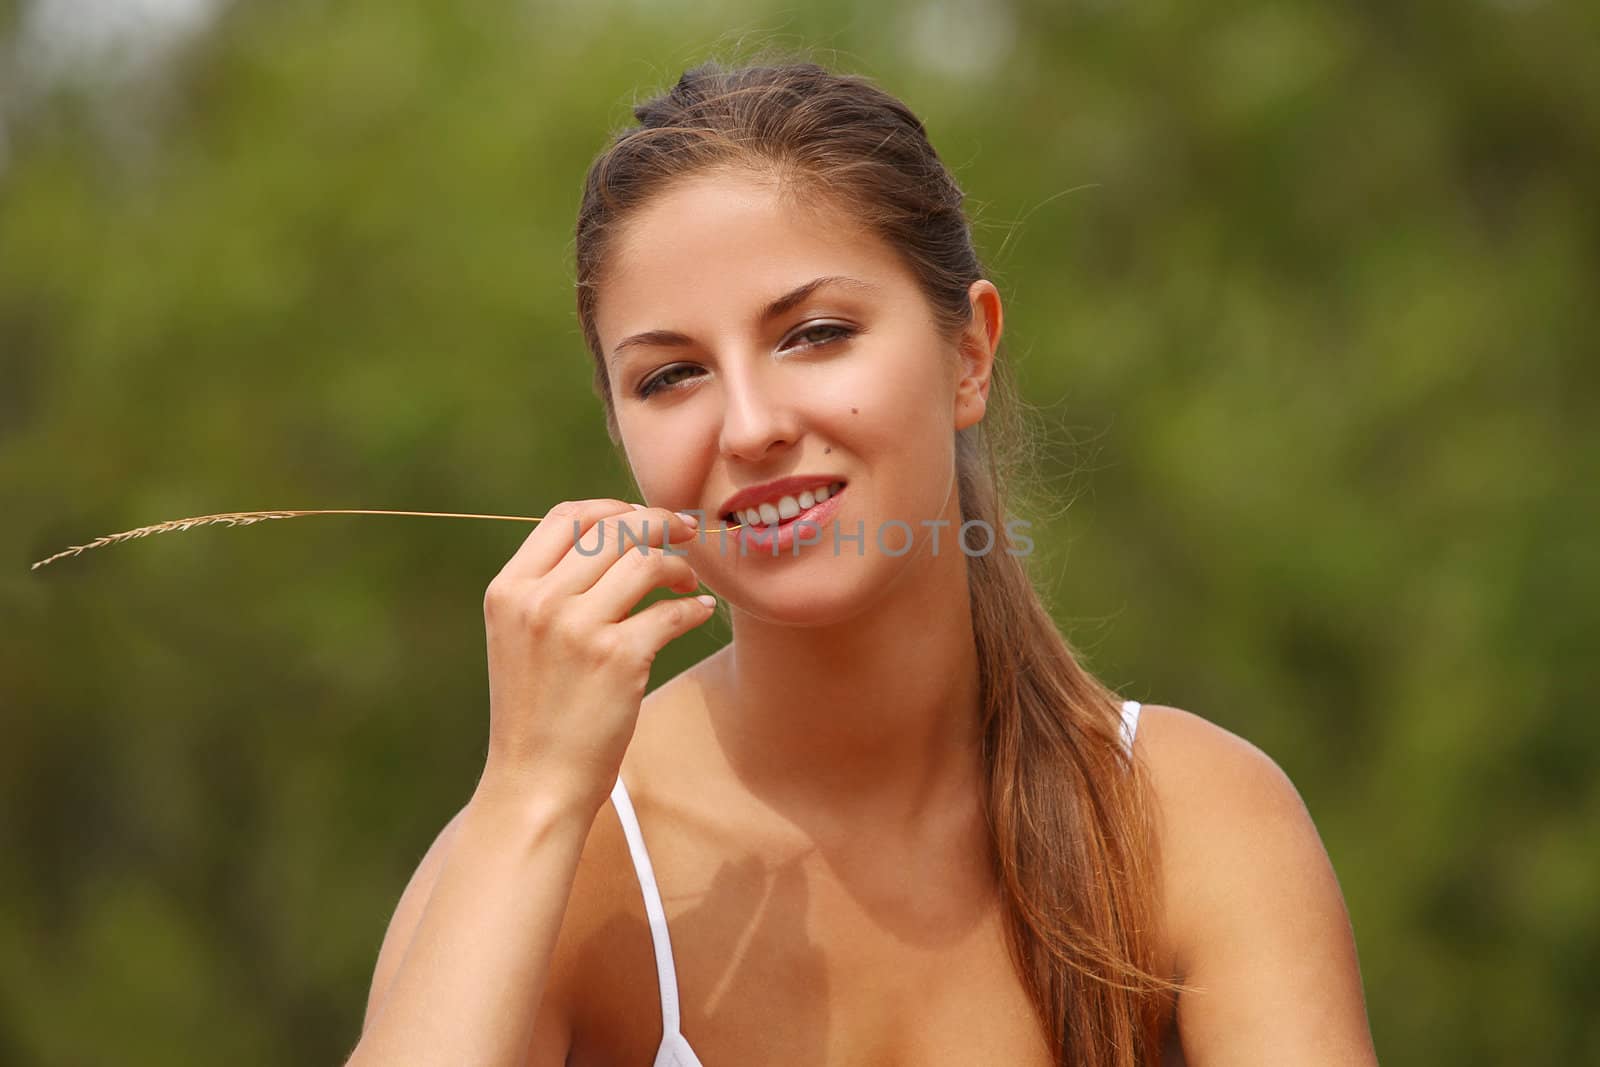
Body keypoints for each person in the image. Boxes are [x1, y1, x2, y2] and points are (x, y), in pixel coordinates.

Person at [344, 55, 1378, 1066]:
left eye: (816, 333)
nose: (748, 427)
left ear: (967, 354)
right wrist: (526, 791)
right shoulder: (559, 853)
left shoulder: (1193, 823)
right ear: (618, 428)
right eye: (671, 375)